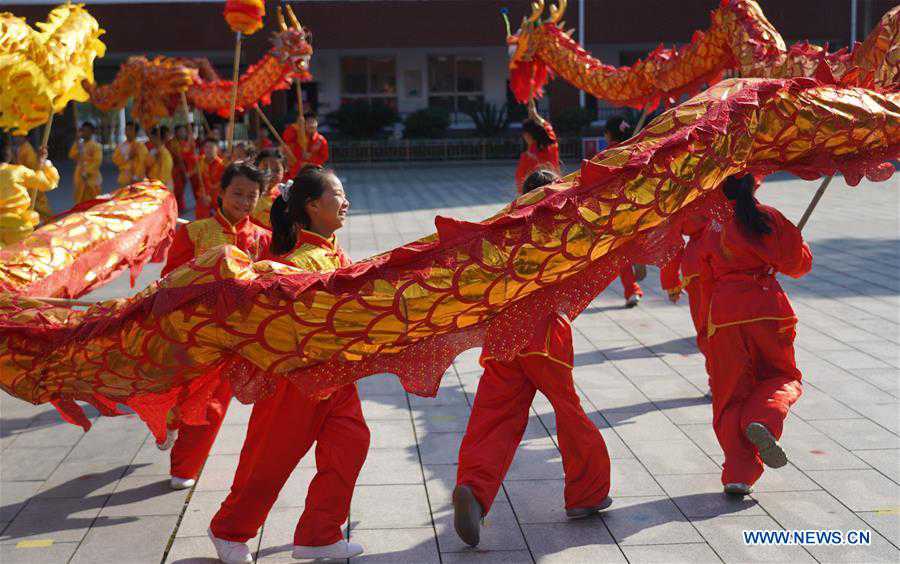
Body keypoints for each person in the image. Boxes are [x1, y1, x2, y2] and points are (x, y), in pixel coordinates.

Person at [208, 166, 368, 564]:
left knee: (351, 444)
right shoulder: (297, 262)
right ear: (313, 206)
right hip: (294, 382)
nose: (345, 201)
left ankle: (319, 533)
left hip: (335, 377)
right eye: (337, 194)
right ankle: (228, 529)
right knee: (269, 461)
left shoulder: (332, 253)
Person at [452, 168, 612, 548]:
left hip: (503, 337)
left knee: (492, 418)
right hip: (544, 336)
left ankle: (473, 491)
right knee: (568, 411)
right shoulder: (563, 231)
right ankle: (586, 494)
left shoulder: (502, 235)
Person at [162, 162, 270, 491]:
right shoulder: (193, 233)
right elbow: (169, 281)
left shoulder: (264, 238)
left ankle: (185, 465)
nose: (244, 201)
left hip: (236, 336)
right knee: (179, 393)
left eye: (252, 196)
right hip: (192, 330)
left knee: (214, 399)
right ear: (219, 193)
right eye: (237, 193)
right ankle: (169, 418)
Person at [701, 174, 811, 495]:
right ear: (754, 184)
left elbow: (701, 275)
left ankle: (738, 473)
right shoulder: (768, 217)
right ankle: (763, 418)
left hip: (723, 316)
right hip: (767, 309)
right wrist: (799, 246)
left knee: (729, 394)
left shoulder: (712, 227)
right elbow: (798, 265)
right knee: (782, 375)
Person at [604, 115, 644, 307]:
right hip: (637, 207)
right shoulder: (637, 151)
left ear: (609, 134)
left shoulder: (607, 155)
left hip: (617, 211)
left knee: (621, 253)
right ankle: (640, 257)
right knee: (631, 245)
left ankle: (632, 289)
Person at [0, 141, 59, 246]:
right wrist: (44, 163)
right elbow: (48, 183)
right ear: (8, 154)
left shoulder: (18, 169)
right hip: (18, 228)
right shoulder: (19, 171)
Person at [514, 106, 560, 193]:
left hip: (533, 195)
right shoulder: (552, 147)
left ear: (527, 135)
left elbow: (520, 182)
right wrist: (537, 117)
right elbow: (548, 130)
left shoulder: (528, 156)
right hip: (554, 190)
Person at [13, 135, 53, 221]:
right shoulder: (20, 148)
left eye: (19, 137)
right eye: (16, 137)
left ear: (25, 137)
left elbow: (32, 166)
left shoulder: (27, 149)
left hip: (30, 180)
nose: (16, 138)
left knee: (36, 204)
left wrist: (42, 162)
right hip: (25, 181)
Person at [283, 112, 329, 180]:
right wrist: (297, 125)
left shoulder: (321, 140)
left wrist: (311, 157)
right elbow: (286, 137)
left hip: (313, 172)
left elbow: (324, 157)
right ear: (303, 124)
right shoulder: (296, 136)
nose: (311, 125)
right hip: (295, 172)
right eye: (308, 122)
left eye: (313, 121)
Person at [68, 122, 104, 204]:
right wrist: (77, 143)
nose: (85, 133)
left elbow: (97, 161)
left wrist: (88, 172)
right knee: (80, 200)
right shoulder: (79, 145)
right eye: (83, 131)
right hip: (80, 175)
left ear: (92, 132)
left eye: (88, 131)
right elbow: (71, 155)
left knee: (92, 201)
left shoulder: (96, 146)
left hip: (92, 177)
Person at [250, 147, 286, 229]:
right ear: (256, 167)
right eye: (265, 168)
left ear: (284, 171)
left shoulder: (285, 196)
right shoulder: (248, 192)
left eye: (276, 170)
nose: (270, 173)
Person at [171, 124, 199, 213]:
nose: (182, 133)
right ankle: (180, 207)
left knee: (197, 187)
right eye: (180, 131)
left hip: (193, 168)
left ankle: (199, 205)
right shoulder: (173, 143)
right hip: (180, 169)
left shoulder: (191, 141)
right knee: (179, 189)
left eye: (183, 131)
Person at [112, 121, 149, 187]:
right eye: (126, 130)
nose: (128, 132)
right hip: (124, 179)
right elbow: (116, 160)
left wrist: (136, 176)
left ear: (135, 132)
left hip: (137, 180)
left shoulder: (140, 147)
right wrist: (128, 157)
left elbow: (143, 163)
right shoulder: (121, 146)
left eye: (130, 130)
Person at [196, 138, 225, 219]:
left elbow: (221, 185)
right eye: (206, 147)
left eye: (211, 147)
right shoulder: (200, 161)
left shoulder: (222, 165)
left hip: (216, 201)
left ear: (217, 149)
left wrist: (210, 197)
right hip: (202, 199)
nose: (208, 150)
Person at [147, 127, 175, 191]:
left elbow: (164, 175)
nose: (151, 139)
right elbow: (147, 165)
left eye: (153, 137)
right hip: (152, 185)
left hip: (162, 187)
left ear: (158, 138)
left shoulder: (165, 154)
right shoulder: (153, 151)